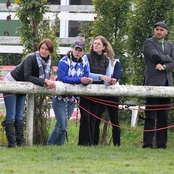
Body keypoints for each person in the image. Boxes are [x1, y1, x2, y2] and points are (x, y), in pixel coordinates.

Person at [2, 38, 56, 148]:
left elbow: (42, 77)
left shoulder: (47, 62)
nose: (43, 51)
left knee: (20, 114)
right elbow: (27, 76)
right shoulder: (30, 58)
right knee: (11, 114)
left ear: (50, 52)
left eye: (46, 49)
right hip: (12, 83)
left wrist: (48, 82)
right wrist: (45, 81)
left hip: (24, 86)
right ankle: (11, 144)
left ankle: (20, 143)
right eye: (42, 48)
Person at [47, 41, 93, 146]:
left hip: (72, 99)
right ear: (72, 49)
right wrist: (80, 80)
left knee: (62, 125)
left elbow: (84, 79)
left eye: (80, 50)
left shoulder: (85, 63)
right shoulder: (64, 61)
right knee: (62, 126)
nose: (77, 52)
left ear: (83, 52)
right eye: (76, 49)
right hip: (60, 98)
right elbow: (63, 78)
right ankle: (50, 144)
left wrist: (86, 81)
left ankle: (57, 146)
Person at [78, 36, 116, 146]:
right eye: (94, 43)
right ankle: (83, 143)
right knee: (85, 117)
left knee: (94, 118)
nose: (95, 45)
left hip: (98, 93)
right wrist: (100, 77)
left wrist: (111, 81)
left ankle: (92, 143)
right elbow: (86, 74)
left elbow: (107, 79)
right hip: (86, 91)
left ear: (104, 47)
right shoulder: (86, 57)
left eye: (98, 44)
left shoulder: (107, 61)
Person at [143, 22, 174, 149]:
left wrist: (165, 66)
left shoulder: (170, 45)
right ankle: (147, 144)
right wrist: (168, 58)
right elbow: (155, 56)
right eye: (157, 29)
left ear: (166, 32)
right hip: (153, 83)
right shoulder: (149, 43)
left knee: (163, 117)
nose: (159, 32)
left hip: (167, 84)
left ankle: (162, 144)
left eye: (161, 30)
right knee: (150, 116)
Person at [94, 43, 121, 146]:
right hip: (100, 92)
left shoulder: (116, 62)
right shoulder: (97, 62)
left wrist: (113, 79)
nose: (105, 54)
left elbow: (117, 74)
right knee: (96, 119)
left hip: (112, 94)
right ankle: (94, 142)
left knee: (114, 120)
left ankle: (117, 144)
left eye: (106, 53)